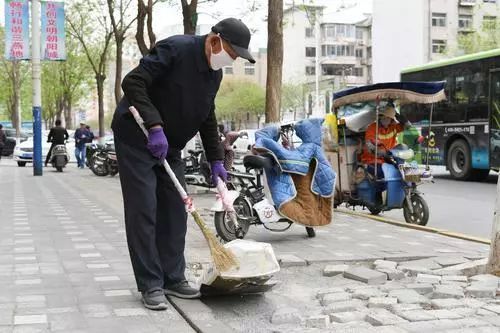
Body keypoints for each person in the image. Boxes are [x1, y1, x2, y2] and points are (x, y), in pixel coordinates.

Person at [111, 18, 255, 310]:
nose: (230, 59)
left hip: (170, 146)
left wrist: (216, 160)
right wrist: (153, 125)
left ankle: (173, 278)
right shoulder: (176, 48)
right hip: (137, 137)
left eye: (236, 56)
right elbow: (133, 81)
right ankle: (150, 283)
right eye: (231, 51)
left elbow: (207, 115)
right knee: (144, 210)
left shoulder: (214, 76)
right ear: (215, 40)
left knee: (176, 212)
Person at [360, 105, 411, 177]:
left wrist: (396, 114)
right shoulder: (372, 128)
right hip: (374, 160)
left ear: (391, 119)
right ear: (379, 118)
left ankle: (409, 185)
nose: (385, 119)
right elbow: (369, 145)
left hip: (390, 158)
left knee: (409, 172)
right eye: (383, 117)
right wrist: (381, 152)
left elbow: (408, 126)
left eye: (388, 117)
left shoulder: (393, 126)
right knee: (389, 173)